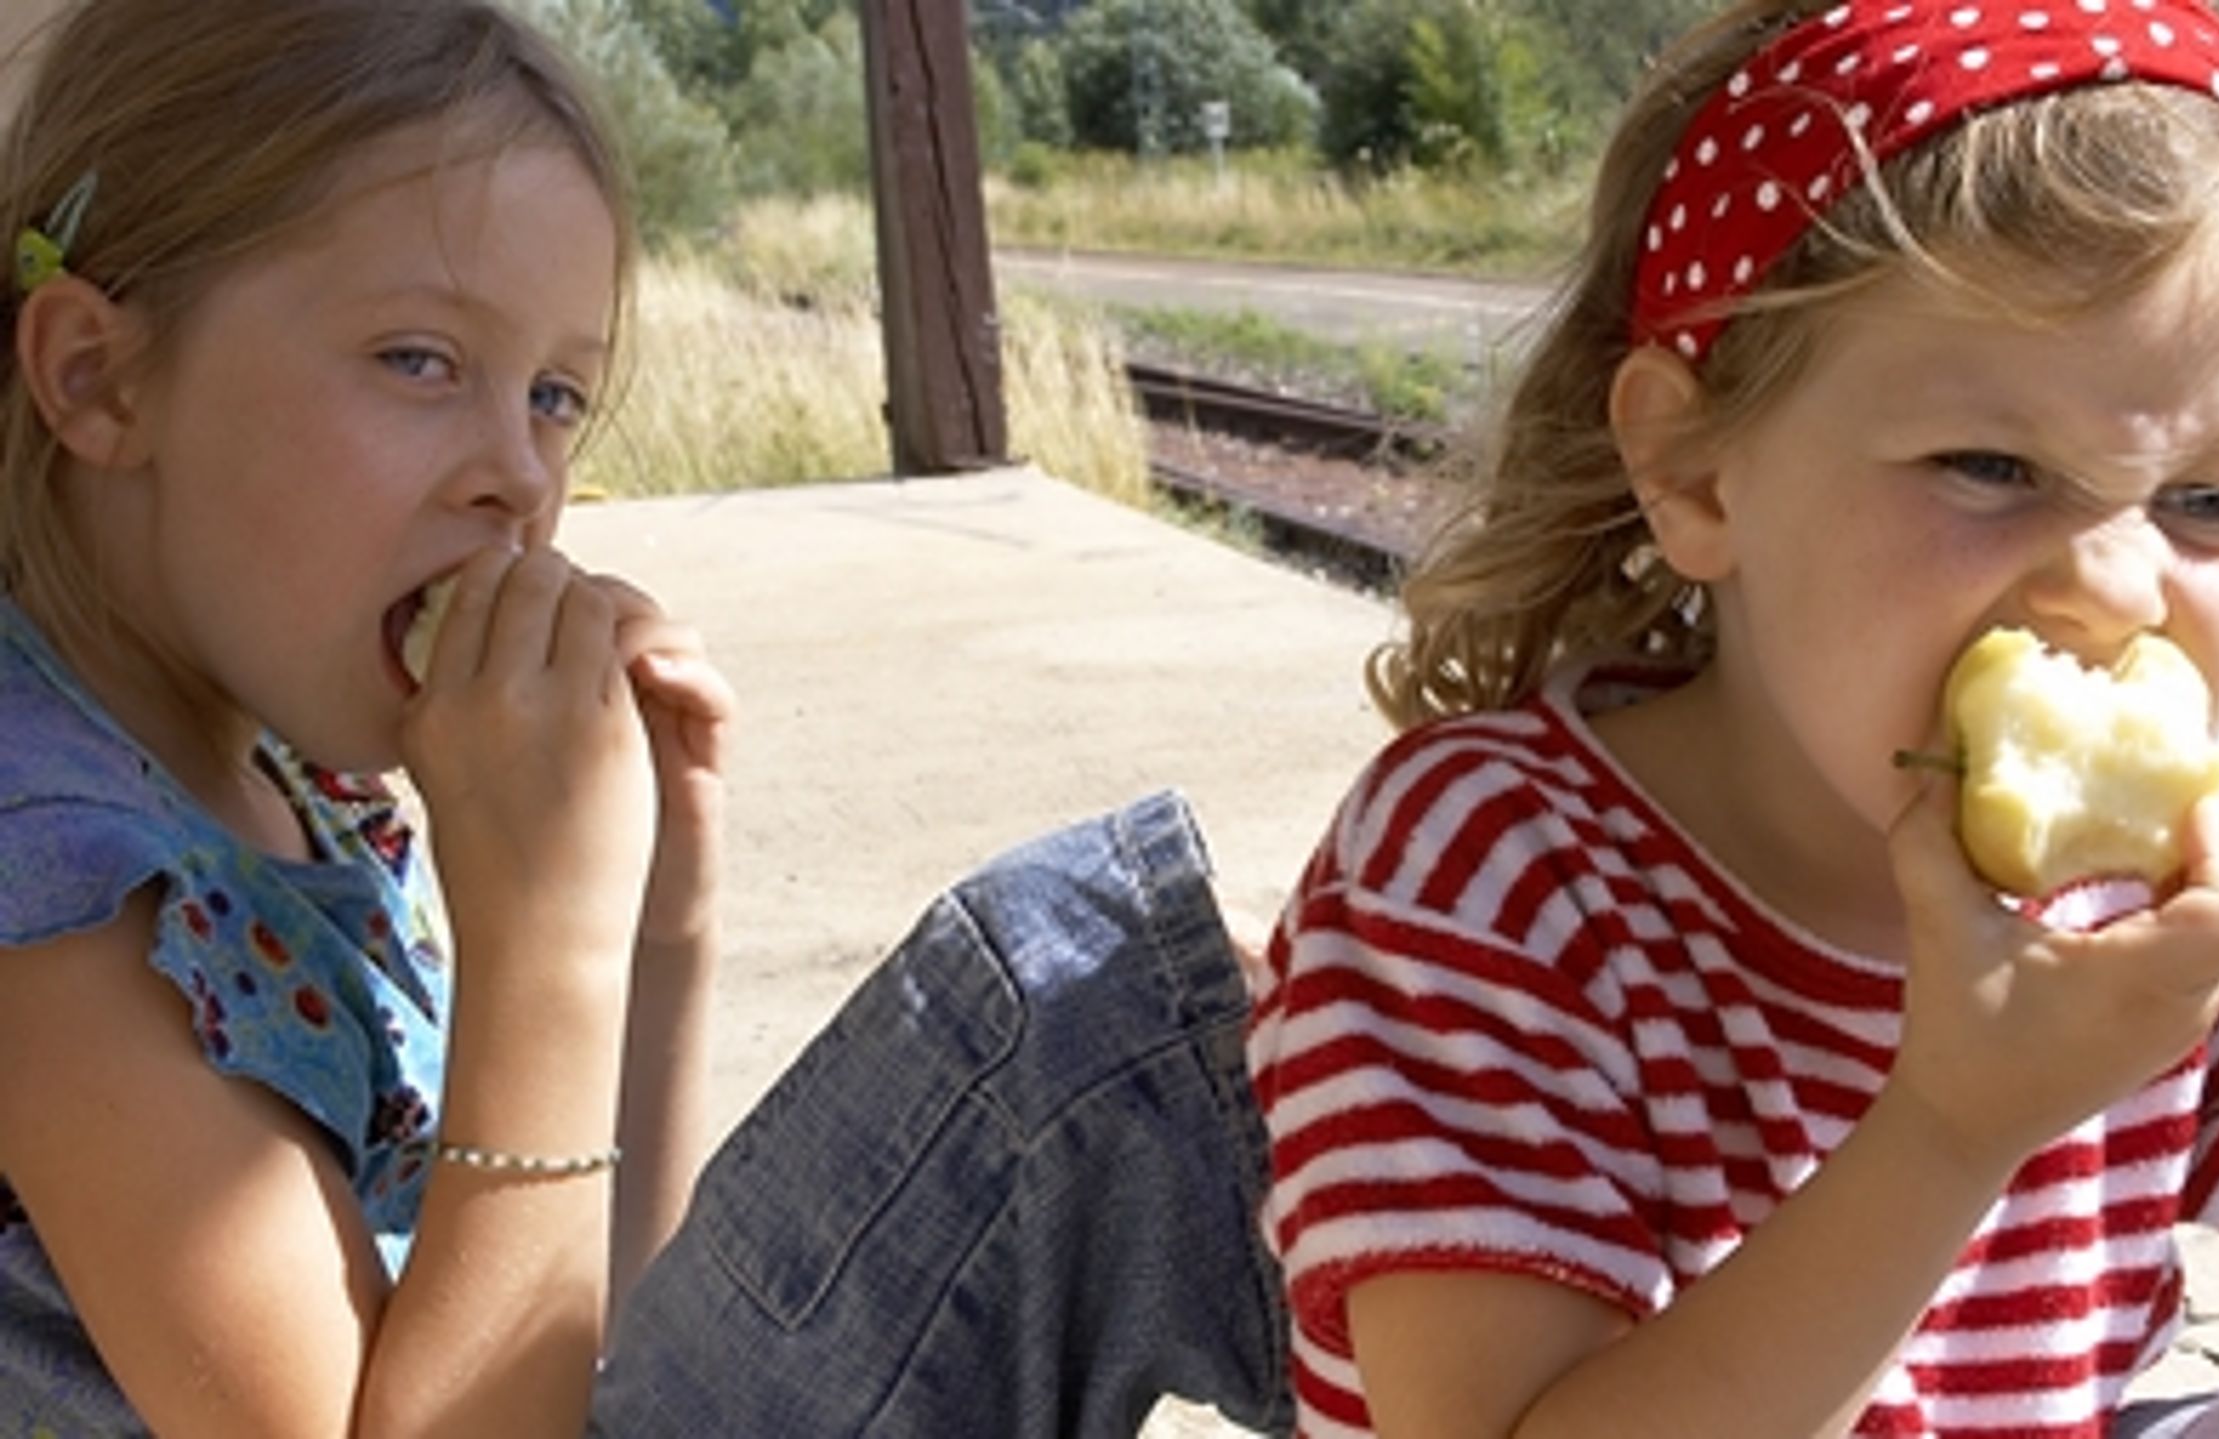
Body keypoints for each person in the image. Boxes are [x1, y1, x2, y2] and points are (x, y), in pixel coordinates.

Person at [1244, 1, 2219, 1435]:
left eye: (2213, 503)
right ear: (1691, 470)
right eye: (1990, 465)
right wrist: (1954, 1127)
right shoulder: (1497, 871)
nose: (2113, 588)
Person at [0, 2, 1289, 1434]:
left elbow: (590, 1343)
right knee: (1088, 1014)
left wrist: (655, 933)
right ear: (99, 377)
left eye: (556, 395)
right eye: (420, 360)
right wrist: (540, 943)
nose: (516, 475)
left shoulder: (293, 780)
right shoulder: (54, 890)